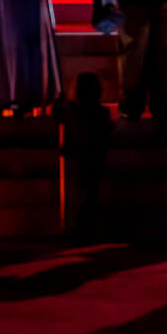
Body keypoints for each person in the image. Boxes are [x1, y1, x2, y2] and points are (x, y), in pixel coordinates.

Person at [62, 71, 112, 239]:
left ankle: (78, 225)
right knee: (90, 193)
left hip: (78, 156)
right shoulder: (101, 113)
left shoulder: (72, 110)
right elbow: (107, 131)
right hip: (94, 157)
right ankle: (84, 225)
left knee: (80, 192)